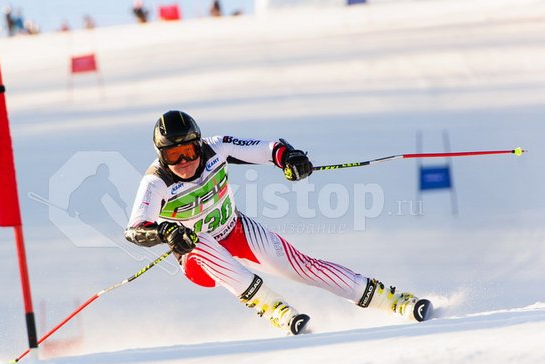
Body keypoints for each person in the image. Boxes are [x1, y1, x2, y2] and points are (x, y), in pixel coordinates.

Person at [125, 111, 432, 335]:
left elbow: (269, 149)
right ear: (161, 156)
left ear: (199, 143)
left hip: (235, 230)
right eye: (174, 155)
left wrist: (290, 158)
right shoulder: (155, 182)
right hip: (197, 259)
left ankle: (395, 301)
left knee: (302, 266)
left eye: (189, 150)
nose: (184, 162)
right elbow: (135, 229)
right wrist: (165, 231)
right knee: (198, 238)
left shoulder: (216, 147)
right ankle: (276, 310)